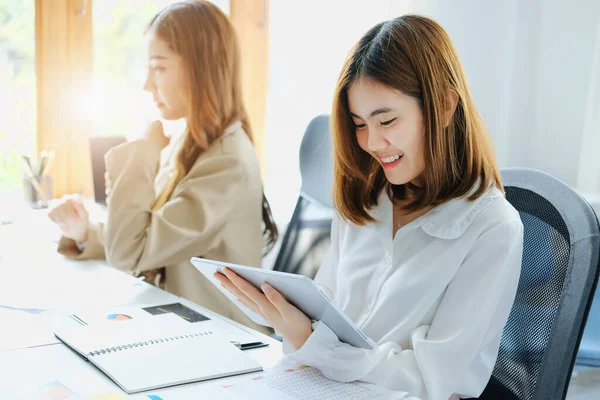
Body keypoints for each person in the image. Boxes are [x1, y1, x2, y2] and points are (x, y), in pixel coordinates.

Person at [216, 15, 523, 399]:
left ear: (444, 106)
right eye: (359, 123)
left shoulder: (493, 227)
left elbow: (434, 380)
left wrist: (312, 341)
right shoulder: (364, 200)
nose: (372, 142)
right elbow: (331, 312)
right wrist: (294, 322)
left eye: (387, 120)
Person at [48, 1, 277, 333]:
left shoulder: (226, 163)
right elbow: (150, 237)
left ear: (201, 69)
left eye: (159, 68)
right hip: (183, 324)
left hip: (220, 338)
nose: (146, 84)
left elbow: (132, 251)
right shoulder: (192, 140)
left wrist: (143, 150)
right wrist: (86, 234)